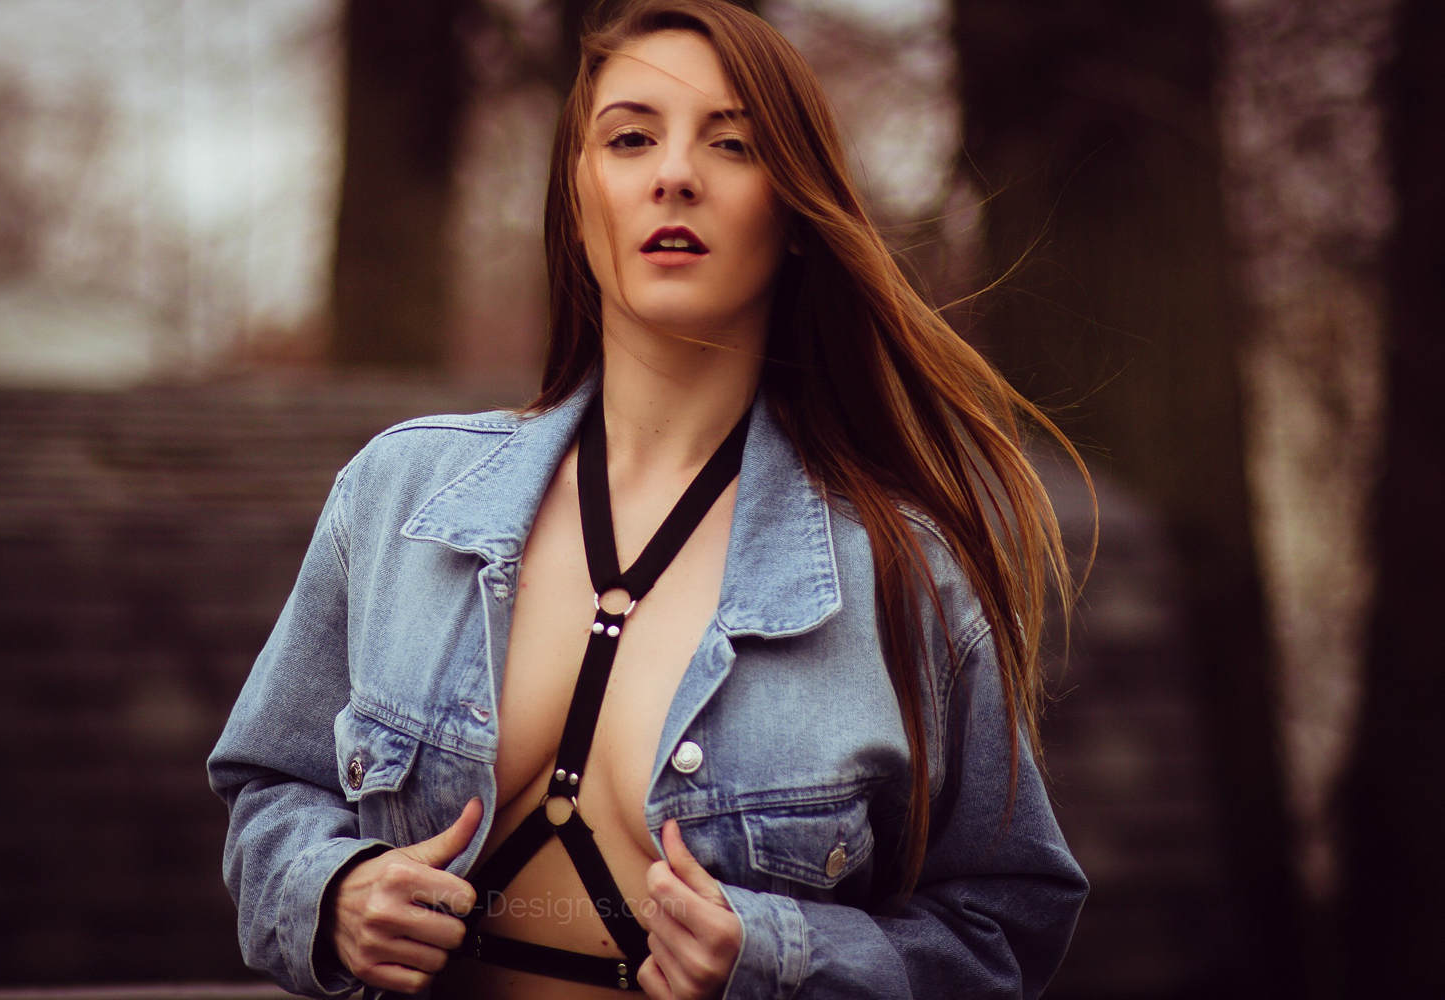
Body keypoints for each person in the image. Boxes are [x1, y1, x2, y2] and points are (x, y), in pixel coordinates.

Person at [208, 1, 1091, 997]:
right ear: (577, 196)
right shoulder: (397, 496)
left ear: (795, 214)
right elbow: (268, 789)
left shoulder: (906, 574)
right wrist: (332, 893)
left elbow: (1000, 932)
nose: (675, 174)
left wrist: (781, 960)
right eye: (630, 139)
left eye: (733, 144)